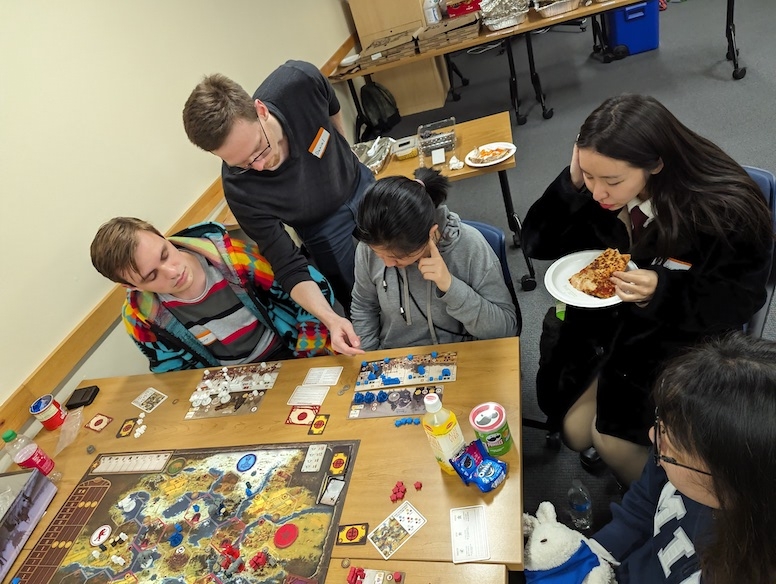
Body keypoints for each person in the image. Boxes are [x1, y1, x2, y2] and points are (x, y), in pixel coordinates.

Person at [522, 94, 772, 484]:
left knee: (610, 441)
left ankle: (667, 502)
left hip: (678, 342)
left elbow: (741, 297)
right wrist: (572, 184)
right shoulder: (595, 190)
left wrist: (664, 289)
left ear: (655, 163)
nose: (599, 192)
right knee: (573, 431)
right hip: (610, 331)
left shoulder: (723, 209)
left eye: (612, 181)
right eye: (589, 176)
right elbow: (537, 244)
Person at [182, 60, 373, 355]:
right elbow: (288, 265)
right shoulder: (239, 189)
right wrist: (331, 319)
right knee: (359, 298)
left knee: (404, 248)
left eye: (260, 148)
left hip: (358, 183)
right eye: (244, 164)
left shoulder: (298, 82)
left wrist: (342, 153)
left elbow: (333, 109)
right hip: (319, 227)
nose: (260, 165)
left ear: (261, 110)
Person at [588, 333, 776, 584]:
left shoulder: (740, 568)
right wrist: (596, 555)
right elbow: (643, 504)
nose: (654, 436)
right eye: (661, 423)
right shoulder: (671, 458)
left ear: (729, 481)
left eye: (672, 445)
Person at [90, 218, 333, 373]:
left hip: (291, 354)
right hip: (225, 380)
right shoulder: (139, 317)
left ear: (164, 237)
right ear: (131, 287)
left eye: (165, 254)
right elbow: (173, 371)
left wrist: (307, 357)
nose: (173, 272)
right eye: (151, 276)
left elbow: (311, 291)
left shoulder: (237, 258)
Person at [351, 168, 519, 350]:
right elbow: (363, 307)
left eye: (398, 258)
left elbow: (506, 329)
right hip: (394, 359)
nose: (387, 263)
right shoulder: (369, 245)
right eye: (378, 254)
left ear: (431, 235)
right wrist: (369, 360)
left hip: (460, 356)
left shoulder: (470, 246)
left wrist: (450, 286)